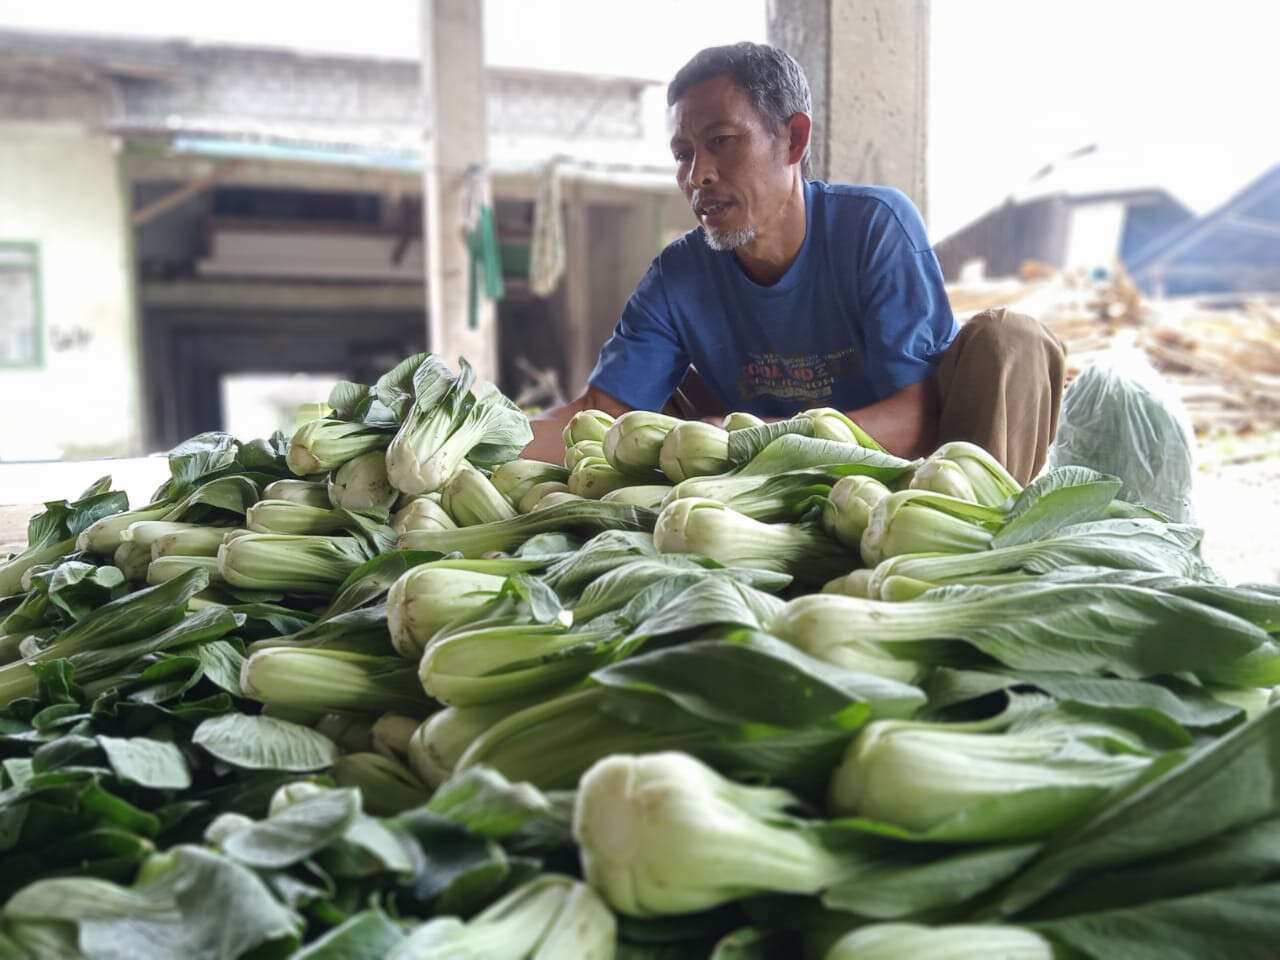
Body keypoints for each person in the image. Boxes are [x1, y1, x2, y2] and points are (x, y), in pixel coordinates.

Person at [523, 42, 1064, 483]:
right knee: (646, 419)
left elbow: (914, 421)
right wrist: (469, 438)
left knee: (1011, 340)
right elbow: (597, 415)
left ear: (793, 139)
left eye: (721, 142)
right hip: (772, 486)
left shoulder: (874, 226)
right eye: (683, 153)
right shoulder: (678, 275)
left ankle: (977, 543)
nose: (698, 175)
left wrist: (754, 438)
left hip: (914, 477)